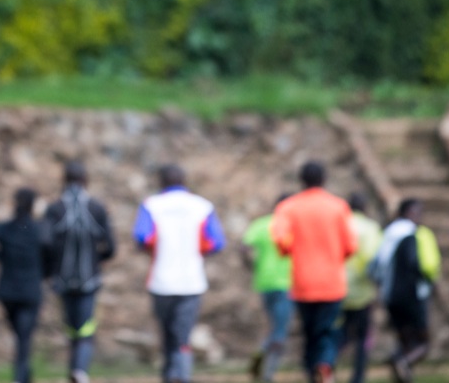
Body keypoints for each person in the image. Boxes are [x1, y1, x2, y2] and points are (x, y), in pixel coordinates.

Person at [133, 163, 227, 383]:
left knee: (167, 335)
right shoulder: (202, 206)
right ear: (185, 181)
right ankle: (182, 376)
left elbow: (142, 237)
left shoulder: (151, 205)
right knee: (182, 337)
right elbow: (217, 242)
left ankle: (169, 375)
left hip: (161, 282)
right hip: (191, 282)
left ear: (161, 182)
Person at [272, 161, 356, 383]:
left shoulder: (289, 207)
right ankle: (325, 366)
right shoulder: (338, 206)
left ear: (301, 180)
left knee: (309, 333)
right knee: (327, 331)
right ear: (324, 179)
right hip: (332, 283)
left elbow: (281, 240)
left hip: (303, 283)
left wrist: (294, 251)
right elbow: (350, 246)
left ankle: (312, 371)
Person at [40, 160, 117, 383]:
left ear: (64, 180)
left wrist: (50, 269)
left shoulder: (54, 208)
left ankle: (76, 370)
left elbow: (44, 242)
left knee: (72, 327)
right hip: (89, 280)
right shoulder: (96, 207)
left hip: (62, 280)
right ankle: (80, 370)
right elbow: (111, 247)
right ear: (86, 180)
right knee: (86, 328)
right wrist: (96, 259)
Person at [370, 198, 441, 383]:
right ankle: (402, 361)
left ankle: (402, 369)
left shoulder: (387, 233)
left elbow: (375, 266)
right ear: (408, 213)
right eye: (417, 213)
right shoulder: (410, 234)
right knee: (423, 342)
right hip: (411, 295)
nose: (419, 218)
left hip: (390, 297)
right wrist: (427, 280)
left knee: (405, 340)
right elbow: (414, 263)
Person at [0, 187, 46, 383]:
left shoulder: (3, 228)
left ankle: (24, 375)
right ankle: (20, 377)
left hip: (7, 292)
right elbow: (51, 252)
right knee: (24, 336)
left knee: (20, 333)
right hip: (30, 291)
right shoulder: (38, 229)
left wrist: (1, 254)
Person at [240, 193, 294, 382]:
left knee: (275, 326)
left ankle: (262, 358)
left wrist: (253, 266)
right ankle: (268, 370)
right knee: (280, 330)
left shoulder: (262, 224)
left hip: (264, 283)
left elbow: (244, 248)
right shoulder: (291, 226)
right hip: (286, 283)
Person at [337, 192, 384, 383]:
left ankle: (326, 366)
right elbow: (375, 260)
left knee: (341, 334)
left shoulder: (340, 225)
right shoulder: (370, 228)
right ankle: (358, 376)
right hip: (363, 291)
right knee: (363, 337)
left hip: (338, 289)